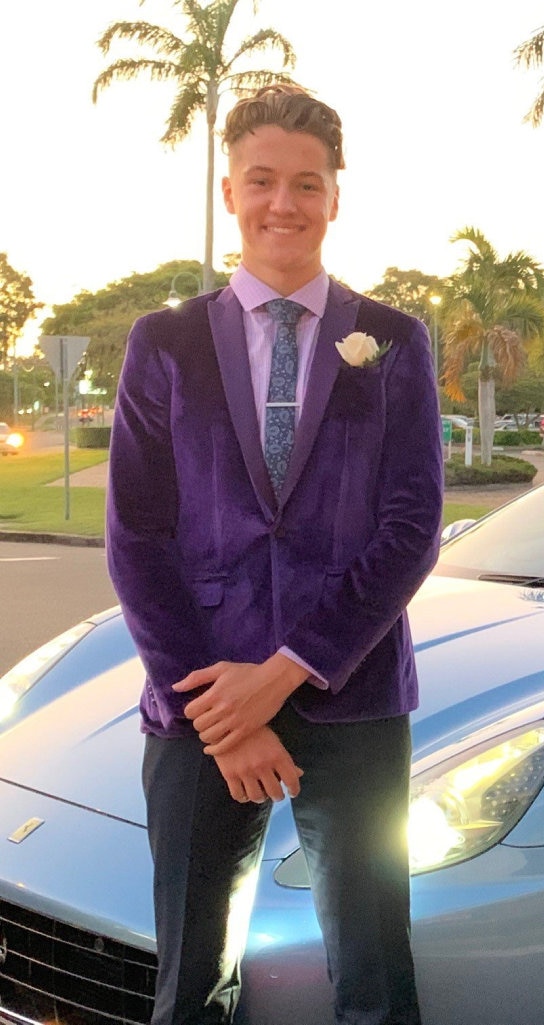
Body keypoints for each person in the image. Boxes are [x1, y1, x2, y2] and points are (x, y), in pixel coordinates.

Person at [106, 84, 443, 1025]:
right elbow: (138, 537)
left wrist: (288, 673)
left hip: (354, 699)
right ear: (229, 191)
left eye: (306, 183)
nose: (282, 204)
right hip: (200, 705)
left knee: (375, 973)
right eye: (262, 181)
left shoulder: (395, 342)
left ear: (337, 196)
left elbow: (412, 525)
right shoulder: (164, 342)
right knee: (191, 984)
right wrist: (220, 709)